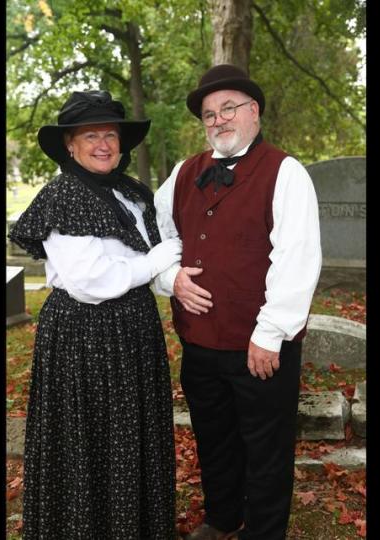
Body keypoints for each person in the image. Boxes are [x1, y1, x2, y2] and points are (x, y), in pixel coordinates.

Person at [153, 65, 322, 540]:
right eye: (209, 114)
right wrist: (170, 275)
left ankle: (264, 531)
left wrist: (271, 333)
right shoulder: (185, 171)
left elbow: (298, 257)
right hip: (200, 339)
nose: (218, 120)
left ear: (253, 112)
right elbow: (156, 230)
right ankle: (222, 517)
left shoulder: (286, 172)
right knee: (214, 438)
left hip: (259, 344)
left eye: (228, 108)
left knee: (265, 447)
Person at [8, 90, 181, 539]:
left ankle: (135, 526)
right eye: (91, 135)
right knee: (89, 439)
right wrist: (158, 260)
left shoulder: (129, 193)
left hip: (134, 328)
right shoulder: (65, 194)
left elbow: (143, 255)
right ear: (70, 144)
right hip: (86, 336)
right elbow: (91, 282)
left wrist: (166, 268)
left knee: (130, 437)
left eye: (110, 134)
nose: (103, 143)